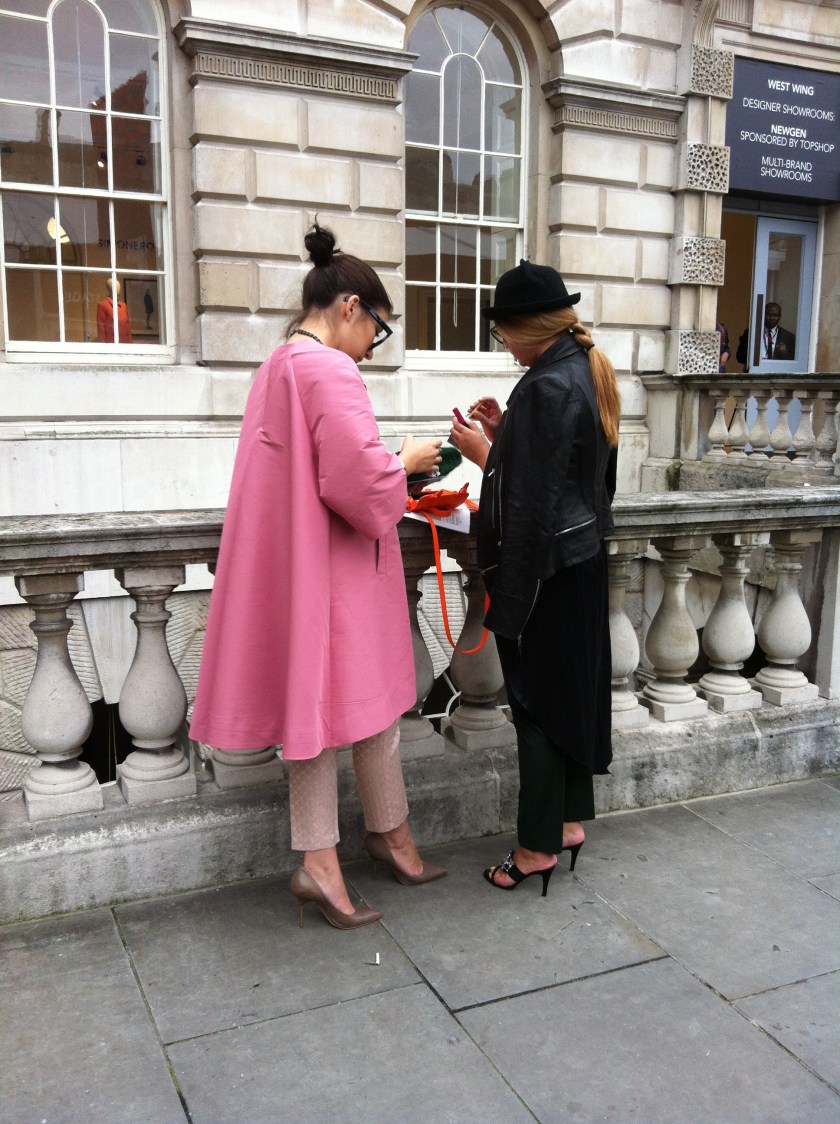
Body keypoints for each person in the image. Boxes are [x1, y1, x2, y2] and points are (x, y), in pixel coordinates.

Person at [190, 223, 447, 930]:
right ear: (349, 308)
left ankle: (372, 841)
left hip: (301, 570)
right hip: (340, 573)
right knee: (354, 709)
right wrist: (407, 462)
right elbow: (357, 484)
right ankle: (336, 857)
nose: (374, 346)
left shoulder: (276, 365)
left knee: (330, 711)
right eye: (378, 330)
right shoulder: (331, 370)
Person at [450, 260, 619, 897]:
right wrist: (506, 434)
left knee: (538, 706)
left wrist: (485, 455)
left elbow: (528, 504)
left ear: (527, 328)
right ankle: (567, 824)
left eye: (503, 334)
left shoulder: (548, 385)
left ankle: (535, 849)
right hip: (580, 561)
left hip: (549, 569)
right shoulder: (582, 369)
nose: (505, 346)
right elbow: (580, 479)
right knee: (568, 696)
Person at [96, 278, 132, 342]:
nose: (118, 288)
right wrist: (103, 346)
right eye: (115, 286)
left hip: (124, 344)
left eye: (118, 285)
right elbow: (101, 329)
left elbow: (128, 326)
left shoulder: (123, 305)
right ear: (109, 288)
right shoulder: (103, 305)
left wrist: (129, 343)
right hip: (111, 343)